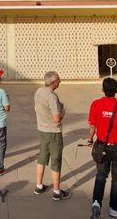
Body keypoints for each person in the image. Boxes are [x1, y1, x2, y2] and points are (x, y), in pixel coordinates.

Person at [88, 77, 117, 219]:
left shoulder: (95, 104)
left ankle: (96, 202)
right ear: (116, 90)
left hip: (102, 146)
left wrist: (90, 139)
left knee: (101, 175)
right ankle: (113, 208)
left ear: (102, 90)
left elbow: (92, 126)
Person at [33, 71, 71, 202]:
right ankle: (56, 191)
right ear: (53, 82)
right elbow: (57, 119)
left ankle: (39, 185)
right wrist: (62, 112)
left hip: (42, 130)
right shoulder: (52, 96)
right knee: (56, 161)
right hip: (53, 132)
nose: (60, 82)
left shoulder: (38, 91)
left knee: (42, 158)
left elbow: (36, 108)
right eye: (58, 80)